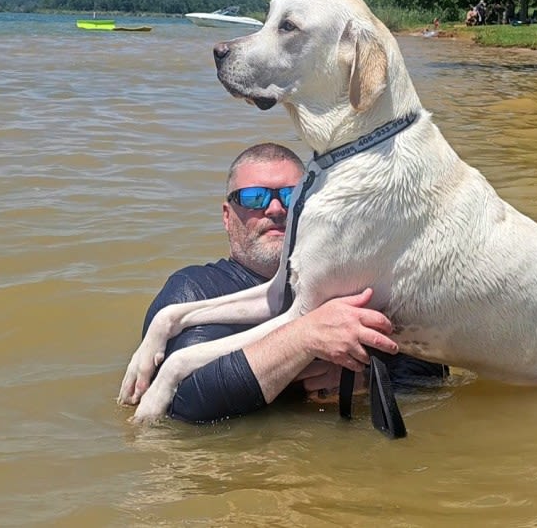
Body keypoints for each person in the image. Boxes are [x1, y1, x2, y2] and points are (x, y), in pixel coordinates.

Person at [141, 142, 448, 423]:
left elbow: (436, 372)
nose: (275, 209)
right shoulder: (193, 289)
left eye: (291, 196)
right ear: (226, 215)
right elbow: (185, 404)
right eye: (254, 198)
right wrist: (304, 338)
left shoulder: (346, 283)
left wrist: (362, 379)